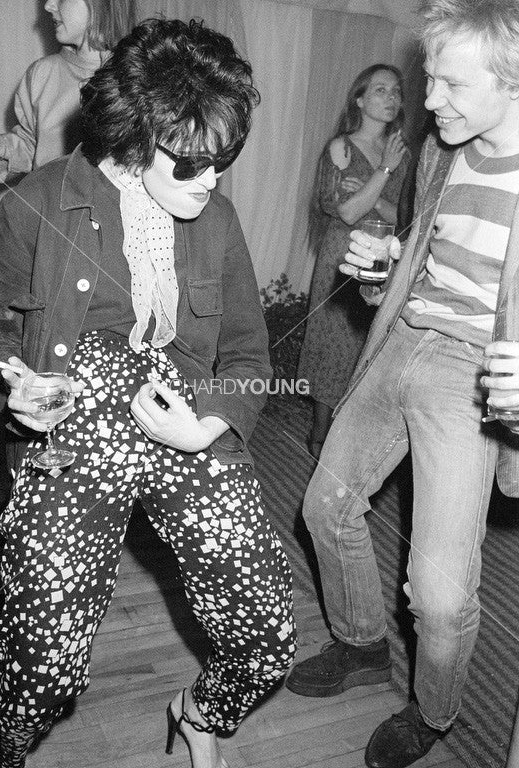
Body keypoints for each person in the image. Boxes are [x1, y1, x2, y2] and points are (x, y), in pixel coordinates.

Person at [0, 17, 296, 768]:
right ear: (137, 139)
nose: (211, 181)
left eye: (225, 160)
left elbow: (247, 350)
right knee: (42, 658)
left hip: (181, 409)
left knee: (267, 630)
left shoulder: (216, 218)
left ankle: (200, 715)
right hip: (74, 418)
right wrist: (10, 393)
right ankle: (8, 748)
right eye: (191, 165)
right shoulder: (34, 204)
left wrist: (210, 424)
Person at [285, 0, 519, 766]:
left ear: (512, 81)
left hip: (473, 375)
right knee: (325, 509)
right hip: (399, 342)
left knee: (441, 597)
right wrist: (379, 273)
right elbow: (425, 254)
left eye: (450, 84)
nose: (428, 100)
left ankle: (435, 712)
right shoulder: (440, 152)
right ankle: (360, 642)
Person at [297, 64, 409, 458]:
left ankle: (354, 431)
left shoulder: (402, 154)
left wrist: (373, 194)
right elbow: (345, 212)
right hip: (343, 254)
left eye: (396, 91)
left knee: (369, 341)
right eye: (381, 90)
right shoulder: (341, 147)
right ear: (359, 100)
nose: (391, 98)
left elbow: (407, 216)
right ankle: (321, 429)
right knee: (336, 340)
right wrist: (384, 172)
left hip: (385, 256)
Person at [0, 0, 138, 181]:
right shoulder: (41, 74)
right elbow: (34, 148)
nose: (48, 5)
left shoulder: (138, 74)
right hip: (52, 206)